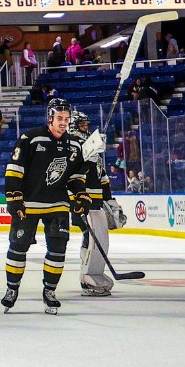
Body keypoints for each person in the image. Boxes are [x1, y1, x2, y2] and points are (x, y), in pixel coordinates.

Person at [2, 98, 89, 315]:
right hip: (28, 204)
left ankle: (50, 291)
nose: (64, 123)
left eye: (67, 119)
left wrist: (80, 196)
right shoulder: (30, 138)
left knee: (58, 250)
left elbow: (75, 177)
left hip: (57, 203)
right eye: (60, 118)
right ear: (50, 117)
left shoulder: (74, 145)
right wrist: (14, 198)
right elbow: (14, 169)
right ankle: (12, 289)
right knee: (18, 247)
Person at [69, 112, 121, 297]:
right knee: (88, 236)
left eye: (86, 125)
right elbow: (72, 174)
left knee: (98, 238)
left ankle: (92, 272)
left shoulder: (93, 150)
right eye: (82, 125)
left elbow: (103, 177)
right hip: (81, 201)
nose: (85, 128)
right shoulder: (72, 146)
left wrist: (109, 199)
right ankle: (86, 275)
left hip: (96, 202)